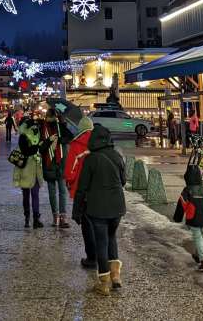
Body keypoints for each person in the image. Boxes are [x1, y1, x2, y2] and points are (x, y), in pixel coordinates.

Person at [73, 125, 126, 295]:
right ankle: (116, 276)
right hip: (117, 206)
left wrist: (77, 210)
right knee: (111, 237)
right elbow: (123, 180)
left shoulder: (91, 159)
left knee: (101, 242)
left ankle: (104, 283)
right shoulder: (117, 156)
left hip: (97, 208)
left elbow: (82, 187)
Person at [172, 165, 203, 272]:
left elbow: (181, 205)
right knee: (200, 236)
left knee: (198, 237)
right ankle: (197, 255)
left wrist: (177, 218)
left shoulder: (187, 191)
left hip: (193, 219)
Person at [65, 116, 97, 269]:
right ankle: (103, 256)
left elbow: (70, 172)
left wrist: (70, 182)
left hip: (82, 190)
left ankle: (91, 257)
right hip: (99, 189)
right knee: (99, 224)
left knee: (87, 225)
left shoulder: (77, 144)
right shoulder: (99, 142)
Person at [40, 111, 69, 228]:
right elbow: (40, 148)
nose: (51, 119)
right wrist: (49, 141)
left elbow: (68, 138)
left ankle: (63, 217)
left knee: (62, 191)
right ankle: (55, 217)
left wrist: (59, 140)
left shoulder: (61, 127)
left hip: (61, 163)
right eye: (49, 117)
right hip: (49, 164)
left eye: (53, 117)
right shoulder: (43, 128)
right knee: (53, 192)